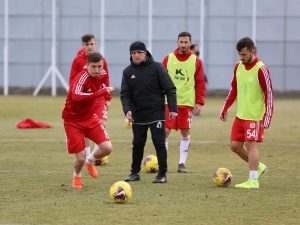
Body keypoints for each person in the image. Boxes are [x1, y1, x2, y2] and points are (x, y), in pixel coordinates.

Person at [220, 37, 274, 189]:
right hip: (241, 115)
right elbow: (234, 89)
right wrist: (225, 108)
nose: (241, 58)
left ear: (253, 51)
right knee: (235, 146)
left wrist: (267, 116)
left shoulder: (261, 69)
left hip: (254, 115)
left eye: (244, 55)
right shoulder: (238, 67)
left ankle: (253, 180)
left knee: (251, 145)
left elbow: (269, 93)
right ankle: (259, 166)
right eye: (239, 55)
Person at [120, 41, 178, 183]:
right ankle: (134, 173)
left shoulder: (157, 67)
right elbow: (125, 95)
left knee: (159, 142)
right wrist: (127, 110)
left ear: (145, 53)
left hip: (156, 112)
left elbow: (170, 88)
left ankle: (162, 174)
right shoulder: (127, 72)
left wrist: (173, 108)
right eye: (133, 53)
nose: (136, 55)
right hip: (138, 113)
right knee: (138, 143)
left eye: (139, 52)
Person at [62, 52, 115, 189]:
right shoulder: (82, 77)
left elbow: (103, 85)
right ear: (87, 66)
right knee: (80, 158)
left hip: (90, 118)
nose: (97, 70)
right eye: (93, 67)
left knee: (107, 148)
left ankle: (90, 161)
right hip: (72, 121)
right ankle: (77, 176)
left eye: (99, 66)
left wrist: (106, 97)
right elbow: (76, 96)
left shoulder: (102, 74)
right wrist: (102, 93)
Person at [162, 32, 206, 173]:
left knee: (185, 132)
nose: (183, 45)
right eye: (181, 42)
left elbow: (200, 83)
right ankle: (163, 163)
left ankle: (181, 163)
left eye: (186, 42)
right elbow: (159, 80)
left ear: (190, 43)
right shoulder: (168, 59)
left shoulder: (196, 61)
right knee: (164, 132)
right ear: (177, 42)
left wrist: (199, 102)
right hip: (169, 102)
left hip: (186, 103)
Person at [69, 34, 111, 160]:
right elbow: (72, 80)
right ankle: (87, 155)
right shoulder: (77, 60)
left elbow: (106, 78)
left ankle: (93, 157)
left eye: (91, 44)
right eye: (86, 44)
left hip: (98, 98)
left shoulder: (101, 59)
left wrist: (107, 98)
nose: (89, 47)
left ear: (95, 44)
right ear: (83, 45)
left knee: (102, 124)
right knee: (86, 127)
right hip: (83, 100)